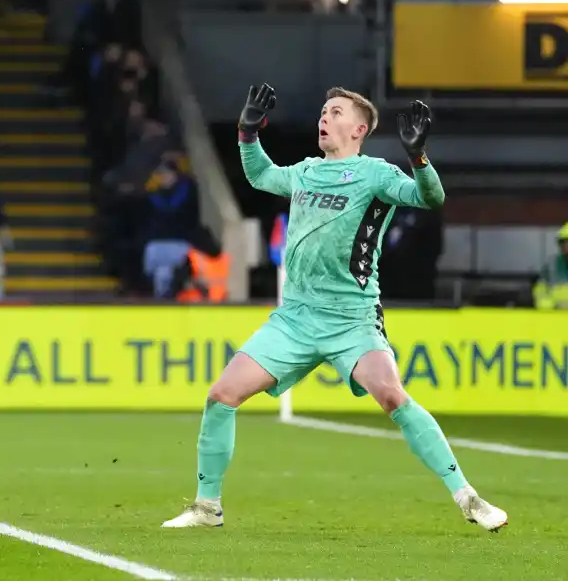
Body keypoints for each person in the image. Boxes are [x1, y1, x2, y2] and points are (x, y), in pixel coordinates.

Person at [162, 85, 508, 532]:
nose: (324, 117)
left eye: (336, 111)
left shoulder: (376, 174)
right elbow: (261, 176)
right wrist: (248, 133)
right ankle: (207, 507)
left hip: (351, 319)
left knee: (391, 395)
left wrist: (419, 157)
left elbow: (431, 198)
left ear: (359, 128)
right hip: (296, 318)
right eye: (324, 110)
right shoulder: (305, 172)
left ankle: (469, 498)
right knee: (220, 396)